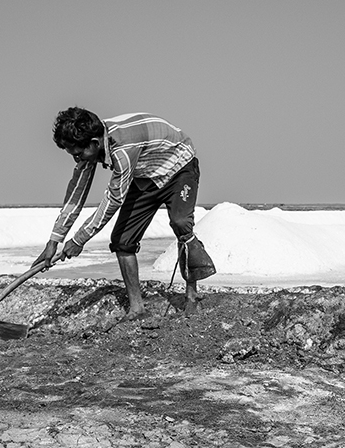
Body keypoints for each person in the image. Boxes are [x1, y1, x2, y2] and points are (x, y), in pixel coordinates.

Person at [32, 107, 216, 316]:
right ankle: (137, 308)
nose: (77, 159)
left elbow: (114, 198)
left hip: (178, 168)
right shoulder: (90, 148)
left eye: (79, 153)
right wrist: (54, 241)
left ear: (94, 142)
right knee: (122, 240)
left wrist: (79, 239)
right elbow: (76, 194)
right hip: (145, 175)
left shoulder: (123, 149)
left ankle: (192, 295)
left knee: (181, 222)